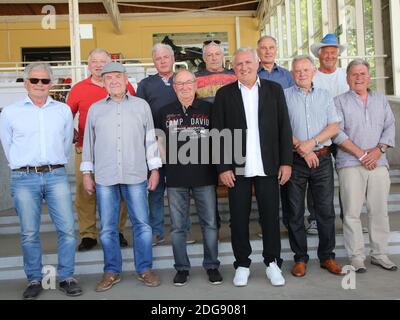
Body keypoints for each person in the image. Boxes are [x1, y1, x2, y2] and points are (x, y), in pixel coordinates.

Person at [0, 63, 83, 299]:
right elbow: (8, 146)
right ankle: (35, 279)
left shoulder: (63, 110)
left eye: (45, 81)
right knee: (29, 232)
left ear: (51, 84)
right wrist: (24, 165)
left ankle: (67, 276)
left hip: (56, 175)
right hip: (24, 177)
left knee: (67, 229)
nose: (39, 85)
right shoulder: (10, 112)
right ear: (25, 83)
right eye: (34, 80)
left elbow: (67, 141)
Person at [212, 47, 293, 287]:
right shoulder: (224, 94)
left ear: (257, 63)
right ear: (233, 67)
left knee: (270, 217)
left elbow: (284, 128)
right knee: (238, 219)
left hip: (268, 166)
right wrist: (222, 167)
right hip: (237, 169)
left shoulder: (274, 90)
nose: (244, 67)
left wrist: (286, 162)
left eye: (248, 62)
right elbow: (218, 133)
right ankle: (242, 265)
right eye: (239, 64)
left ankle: (273, 264)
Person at [81, 62, 162, 291]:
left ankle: (145, 269)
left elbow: (150, 139)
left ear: (126, 79)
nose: (114, 81)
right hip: (105, 176)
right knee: (107, 227)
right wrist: (87, 173)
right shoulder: (95, 109)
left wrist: (154, 169)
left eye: (118, 76)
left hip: (135, 173)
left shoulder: (141, 106)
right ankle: (111, 271)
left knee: (142, 225)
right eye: (109, 78)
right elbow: (88, 143)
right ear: (103, 82)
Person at [156, 69, 222, 286]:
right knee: (177, 227)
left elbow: (218, 140)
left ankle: (212, 265)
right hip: (176, 178)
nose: (184, 87)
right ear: (174, 87)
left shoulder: (209, 109)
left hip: (205, 176)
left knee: (210, 224)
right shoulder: (164, 111)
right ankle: (182, 268)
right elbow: (158, 141)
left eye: (188, 83)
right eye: (179, 84)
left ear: (196, 85)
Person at [67, 48, 135, 251]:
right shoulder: (79, 88)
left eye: (102, 61)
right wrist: (70, 131)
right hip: (85, 149)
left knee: (120, 191)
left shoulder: (124, 85)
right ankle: (88, 234)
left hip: (118, 149)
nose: (98, 65)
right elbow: (65, 116)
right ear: (88, 65)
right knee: (85, 191)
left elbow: (134, 110)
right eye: (93, 61)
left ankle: (118, 231)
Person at [334, 59, 397, 273]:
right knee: (351, 212)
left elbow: (390, 126)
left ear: (369, 77)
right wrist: (362, 154)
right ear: (347, 78)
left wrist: (378, 151)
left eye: (362, 74)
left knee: (379, 211)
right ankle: (357, 256)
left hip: (378, 163)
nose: (359, 78)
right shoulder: (339, 101)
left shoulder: (380, 100)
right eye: (354, 74)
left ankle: (379, 254)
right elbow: (337, 132)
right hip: (350, 163)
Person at [284, 55, 343, 277]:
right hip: (295, 160)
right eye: (297, 71)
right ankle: (300, 259)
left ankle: (327, 257)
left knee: (325, 211)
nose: (301, 74)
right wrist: (302, 147)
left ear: (313, 72)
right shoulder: (284, 96)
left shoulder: (326, 96)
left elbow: (334, 126)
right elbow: (280, 127)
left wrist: (313, 143)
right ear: (292, 74)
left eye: (305, 70)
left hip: (323, 158)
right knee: (295, 211)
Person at [137, 43, 196, 246]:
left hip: (181, 143)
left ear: (173, 59)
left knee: (180, 189)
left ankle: (185, 230)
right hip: (154, 142)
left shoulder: (183, 80)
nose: (162, 61)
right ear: (154, 61)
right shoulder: (145, 84)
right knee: (155, 189)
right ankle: (156, 231)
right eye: (158, 58)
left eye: (165, 57)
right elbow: (140, 114)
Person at [306, 33, 350, 235]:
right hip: (318, 135)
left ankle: (348, 218)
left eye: (334, 53)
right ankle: (314, 219)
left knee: (347, 177)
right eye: (326, 53)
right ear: (319, 55)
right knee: (314, 177)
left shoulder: (345, 76)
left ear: (338, 55)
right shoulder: (312, 76)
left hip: (342, 134)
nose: (330, 56)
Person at [195, 40, 237, 238]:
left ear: (223, 56)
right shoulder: (195, 78)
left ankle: (236, 224)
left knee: (234, 182)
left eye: (217, 54)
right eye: (209, 55)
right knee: (208, 184)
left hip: (230, 137)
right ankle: (214, 226)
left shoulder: (234, 76)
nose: (213, 58)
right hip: (203, 138)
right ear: (203, 58)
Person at [256, 35, 295, 236]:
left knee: (286, 184)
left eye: (271, 47)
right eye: (264, 48)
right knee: (265, 188)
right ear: (258, 51)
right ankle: (267, 226)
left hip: (281, 134)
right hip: (260, 138)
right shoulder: (251, 74)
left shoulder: (287, 76)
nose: (268, 51)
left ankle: (289, 223)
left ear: (276, 50)